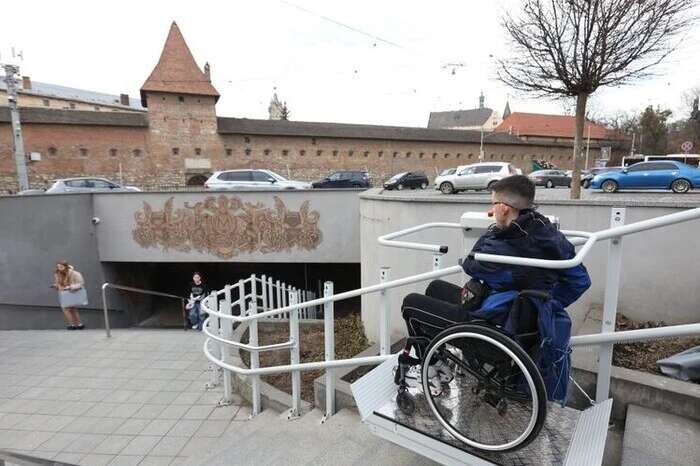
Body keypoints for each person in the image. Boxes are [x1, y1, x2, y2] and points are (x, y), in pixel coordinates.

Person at [401, 175, 591, 402]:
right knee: (435, 288)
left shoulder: (501, 243)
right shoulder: (546, 232)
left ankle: (431, 367)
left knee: (410, 303)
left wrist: (498, 226)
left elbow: (470, 264)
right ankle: (439, 357)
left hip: (493, 329)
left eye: (493, 205)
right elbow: (580, 280)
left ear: (503, 208)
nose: (490, 211)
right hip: (515, 321)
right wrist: (543, 305)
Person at [53, 261, 86, 330]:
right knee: (71, 308)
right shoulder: (58, 274)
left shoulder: (75, 273)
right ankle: (79, 324)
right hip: (64, 293)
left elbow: (81, 283)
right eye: (58, 267)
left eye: (61, 267)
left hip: (72, 292)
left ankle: (73, 325)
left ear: (66, 266)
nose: (59, 268)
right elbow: (59, 284)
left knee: (67, 308)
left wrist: (70, 287)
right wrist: (56, 286)